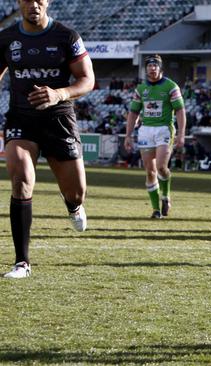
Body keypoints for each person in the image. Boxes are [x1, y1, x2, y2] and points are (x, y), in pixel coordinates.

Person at [2, 0, 94, 278]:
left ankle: (73, 206)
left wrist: (59, 94)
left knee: (76, 192)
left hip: (59, 120)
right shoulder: (6, 38)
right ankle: (22, 263)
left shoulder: (66, 36)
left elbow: (87, 79)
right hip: (21, 119)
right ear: (19, 2)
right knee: (20, 179)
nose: (34, 4)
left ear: (48, 2)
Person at [125, 54, 186, 219]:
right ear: (146, 70)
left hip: (164, 129)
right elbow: (133, 112)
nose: (152, 68)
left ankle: (165, 196)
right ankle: (156, 210)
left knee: (161, 167)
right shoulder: (141, 89)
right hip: (145, 130)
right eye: (149, 66)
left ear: (160, 68)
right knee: (150, 172)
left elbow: (180, 111)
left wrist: (181, 134)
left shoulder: (171, 86)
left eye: (155, 66)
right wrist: (128, 135)